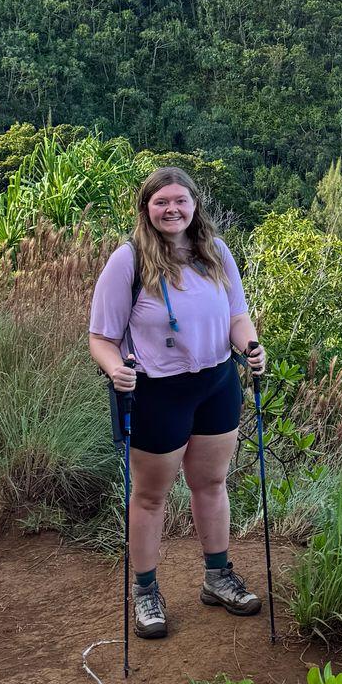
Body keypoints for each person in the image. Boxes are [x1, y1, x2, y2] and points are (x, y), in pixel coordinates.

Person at [88, 167, 266, 641]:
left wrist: (250, 346)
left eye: (180, 201)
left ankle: (217, 576)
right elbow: (101, 338)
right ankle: (145, 591)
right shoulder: (127, 262)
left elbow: (237, 315)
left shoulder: (215, 251)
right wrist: (114, 369)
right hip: (156, 390)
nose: (172, 210)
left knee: (211, 482)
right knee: (150, 495)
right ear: (146, 208)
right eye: (161, 202)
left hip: (216, 382)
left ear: (194, 205)